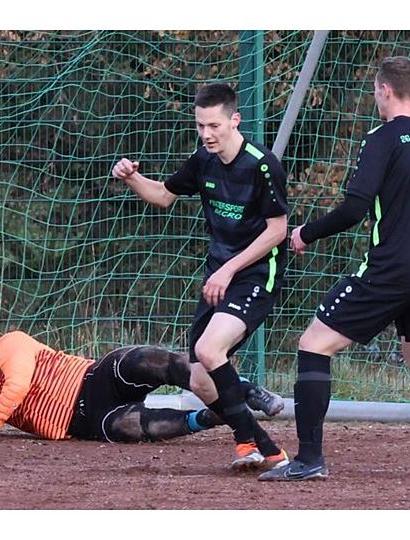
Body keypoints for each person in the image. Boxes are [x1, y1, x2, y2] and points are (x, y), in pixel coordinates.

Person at [258, 56, 410, 481]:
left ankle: (309, 459)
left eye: (374, 91)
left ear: (384, 90)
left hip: (392, 268)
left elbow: (354, 208)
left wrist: (305, 233)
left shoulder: (384, 137)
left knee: (314, 344)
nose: (375, 98)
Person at [110, 83, 290, 470]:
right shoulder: (202, 160)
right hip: (218, 276)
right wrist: (130, 177)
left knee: (210, 351)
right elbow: (162, 196)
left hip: (256, 275)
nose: (207, 134)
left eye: (214, 126)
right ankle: (269, 448)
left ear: (234, 120)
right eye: (200, 126)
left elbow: (277, 231)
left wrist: (229, 268)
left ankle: (244, 443)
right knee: (200, 381)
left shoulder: (262, 164)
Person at [0, 318, 284, 445]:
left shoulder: (11, 345)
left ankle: (247, 390)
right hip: (80, 424)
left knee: (155, 360)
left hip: (93, 377)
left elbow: (16, 386)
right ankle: (212, 418)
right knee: (133, 429)